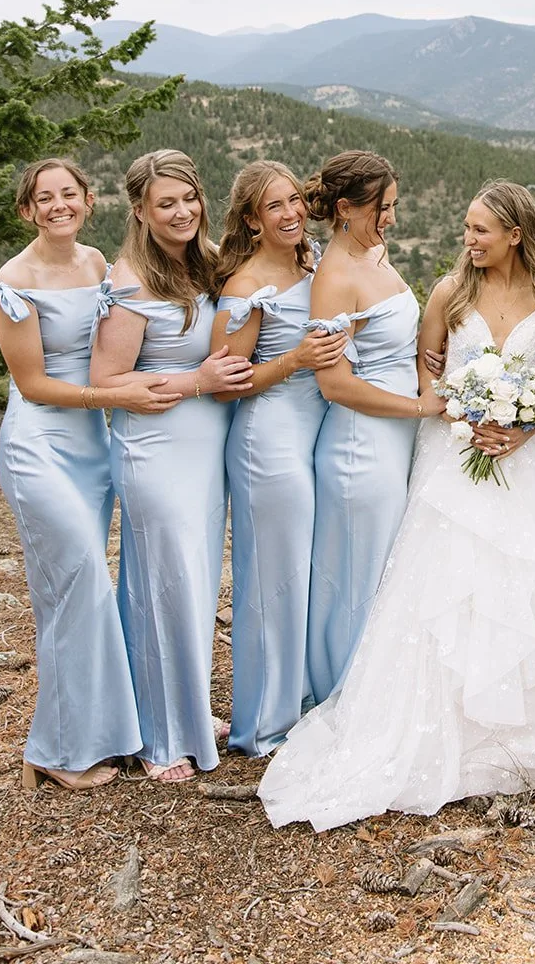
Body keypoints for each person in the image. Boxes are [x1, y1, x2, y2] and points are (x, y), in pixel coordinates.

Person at [258, 181, 535, 829]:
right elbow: (427, 370)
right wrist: (462, 407)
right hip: (453, 453)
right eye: (465, 228)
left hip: (523, 460)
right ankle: (446, 725)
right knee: (448, 588)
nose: (468, 240)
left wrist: (521, 425)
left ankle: (532, 735)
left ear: (515, 233)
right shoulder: (451, 294)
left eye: (481, 230)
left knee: (528, 585)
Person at [0, 159, 181, 790]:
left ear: (89, 201)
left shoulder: (98, 265)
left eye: (69, 194)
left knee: (77, 589)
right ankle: (61, 750)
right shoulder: (15, 280)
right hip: (40, 445)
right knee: (78, 582)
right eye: (45, 197)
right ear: (27, 209)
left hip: (94, 448)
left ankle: (97, 734)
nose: (58, 204)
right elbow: (34, 384)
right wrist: (117, 398)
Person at [91, 149, 253, 782]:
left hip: (205, 451)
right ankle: (160, 736)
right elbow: (107, 380)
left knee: (194, 584)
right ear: (140, 210)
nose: (183, 211)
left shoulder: (206, 263)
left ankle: (186, 710)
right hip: (155, 449)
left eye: (190, 198)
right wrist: (198, 379)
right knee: (165, 587)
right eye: (167, 203)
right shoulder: (131, 282)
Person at [211, 162, 348, 755]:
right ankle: (265, 721)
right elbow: (225, 383)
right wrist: (294, 360)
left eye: (294, 200)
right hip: (268, 440)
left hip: (315, 431)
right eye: (274, 207)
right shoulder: (246, 287)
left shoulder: (312, 259)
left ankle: (303, 697)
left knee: (307, 572)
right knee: (274, 578)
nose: (291, 213)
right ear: (250, 219)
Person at [304, 151, 445, 703]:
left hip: (394, 438)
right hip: (360, 445)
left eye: (392, 205)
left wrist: (426, 370)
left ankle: (383, 693)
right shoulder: (334, 278)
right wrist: (418, 407)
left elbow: (398, 334)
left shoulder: (376, 253)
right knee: (359, 577)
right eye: (381, 208)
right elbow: (333, 384)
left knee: (388, 569)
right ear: (344, 208)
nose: (390, 218)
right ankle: (346, 695)